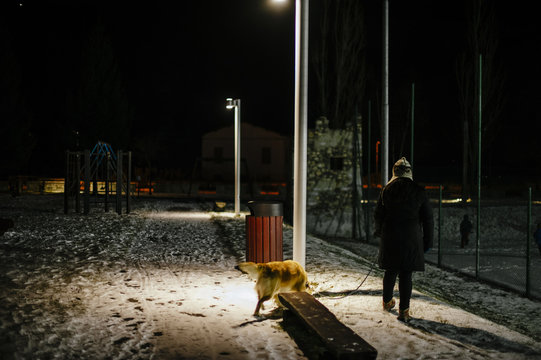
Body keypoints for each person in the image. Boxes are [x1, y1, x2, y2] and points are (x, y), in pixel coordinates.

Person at [374, 157, 433, 322]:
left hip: (390, 237)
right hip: (411, 239)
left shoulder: (386, 190)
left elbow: (378, 214)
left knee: (390, 270)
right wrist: (427, 242)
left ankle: (387, 302)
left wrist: (379, 232)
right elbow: (428, 219)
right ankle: (404, 311)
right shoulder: (419, 192)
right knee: (406, 274)